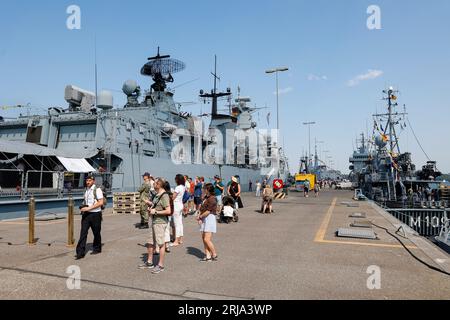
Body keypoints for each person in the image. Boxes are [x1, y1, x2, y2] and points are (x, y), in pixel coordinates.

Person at [139, 178, 172, 274]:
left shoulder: (164, 195)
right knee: (150, 242)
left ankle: (160, 265)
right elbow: (157, 205)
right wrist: (150, 204)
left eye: (155, 183)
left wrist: (156, 211)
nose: (153, 184)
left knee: (161, 244)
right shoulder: (157, 195)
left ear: (159, 185)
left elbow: (168, 211)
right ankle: (149, 262)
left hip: (160, 222)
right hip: (153, 221)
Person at [76, 175, 104, 260]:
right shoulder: (87, 190)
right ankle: (80, 253)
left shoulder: (97, 190)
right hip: (86, 215)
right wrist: (83, 206)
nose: (88, 182)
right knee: (83, 233)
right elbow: (87, 201)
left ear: (93, 181)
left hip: (95, 214)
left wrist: (89, 208)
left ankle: (97, 248)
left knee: (96, 232)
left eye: (89, 180)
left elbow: (100, 202)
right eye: (87, 180)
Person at [196, 183, 218, 262]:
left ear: (208, 189)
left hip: (209, 218)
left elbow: (208, 211)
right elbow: (201, 207)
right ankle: (207, 255)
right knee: (203, 238)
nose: (203, 190)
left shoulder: (212, 198)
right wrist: (199, 215)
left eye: (204, 188)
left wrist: (200, 217)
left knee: (206, 239)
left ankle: (214, 254)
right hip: (204, 218)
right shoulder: (206, 197)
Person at [171, 174, 186, 247]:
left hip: (176, 205)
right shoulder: (183, 187)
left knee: (176, 224)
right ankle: (180, 239)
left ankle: (176, 240)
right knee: (180, 223)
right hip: (180, 204)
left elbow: (173, 197)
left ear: (177, 180)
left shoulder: (177, 187)